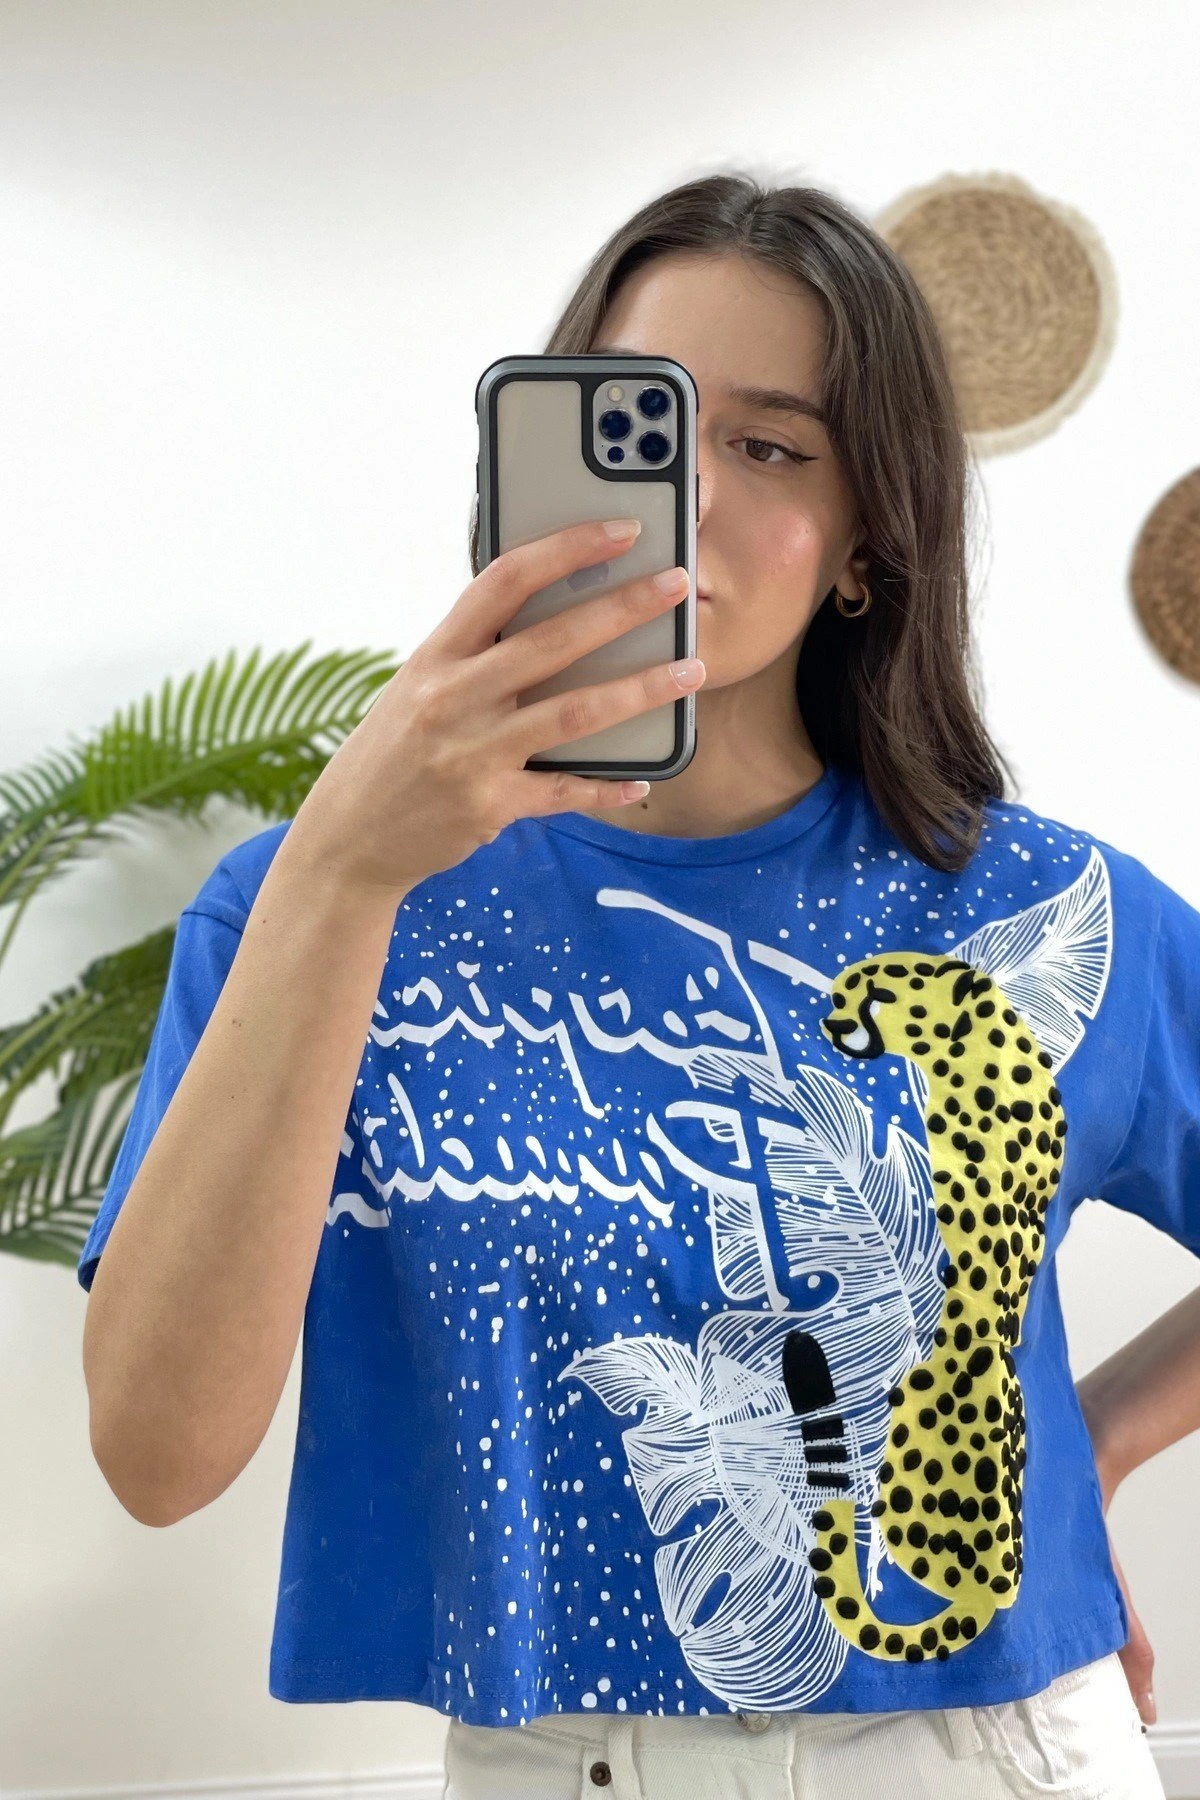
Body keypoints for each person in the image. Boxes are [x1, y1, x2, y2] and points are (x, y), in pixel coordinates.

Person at [76, 171, 1192, 1799]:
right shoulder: (310, 906)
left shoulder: (1038, 910)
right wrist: (340, 872)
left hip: (988, 1750)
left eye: (772, 447)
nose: (688, 500)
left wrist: (1096, 1439)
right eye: (640, 430)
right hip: (552, 1765)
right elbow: (156, 1458)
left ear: (868, 537)